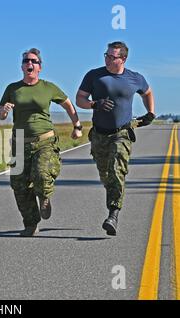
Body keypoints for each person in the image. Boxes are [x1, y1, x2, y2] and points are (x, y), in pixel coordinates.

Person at [0, 48, 82, 237]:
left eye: (34, 61)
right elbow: (0, 115)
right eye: (26, 61)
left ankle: (44, 196)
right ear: (21, 66)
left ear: (40, 67)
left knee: (42, 174)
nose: (30, 64)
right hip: (19, 144)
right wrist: (4, 109)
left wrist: (77, 125)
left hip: (45, 141)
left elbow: (68, 103)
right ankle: (30, 223)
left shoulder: (48, 87)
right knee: (19, 185)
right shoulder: (13, 88)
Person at [76, 41, 156, 236]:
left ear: (123, 59)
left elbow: (147, 92)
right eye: (106, 55)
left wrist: (150, 112)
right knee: (105, 174)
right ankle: (112, 196)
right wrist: (95, 104)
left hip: (121, 133)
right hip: (99, 134)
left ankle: (113, 214)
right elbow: (80, 99)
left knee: (116, 171)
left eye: (112, 57)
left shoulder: (134, 78)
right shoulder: (94, 75)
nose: (108, 59)